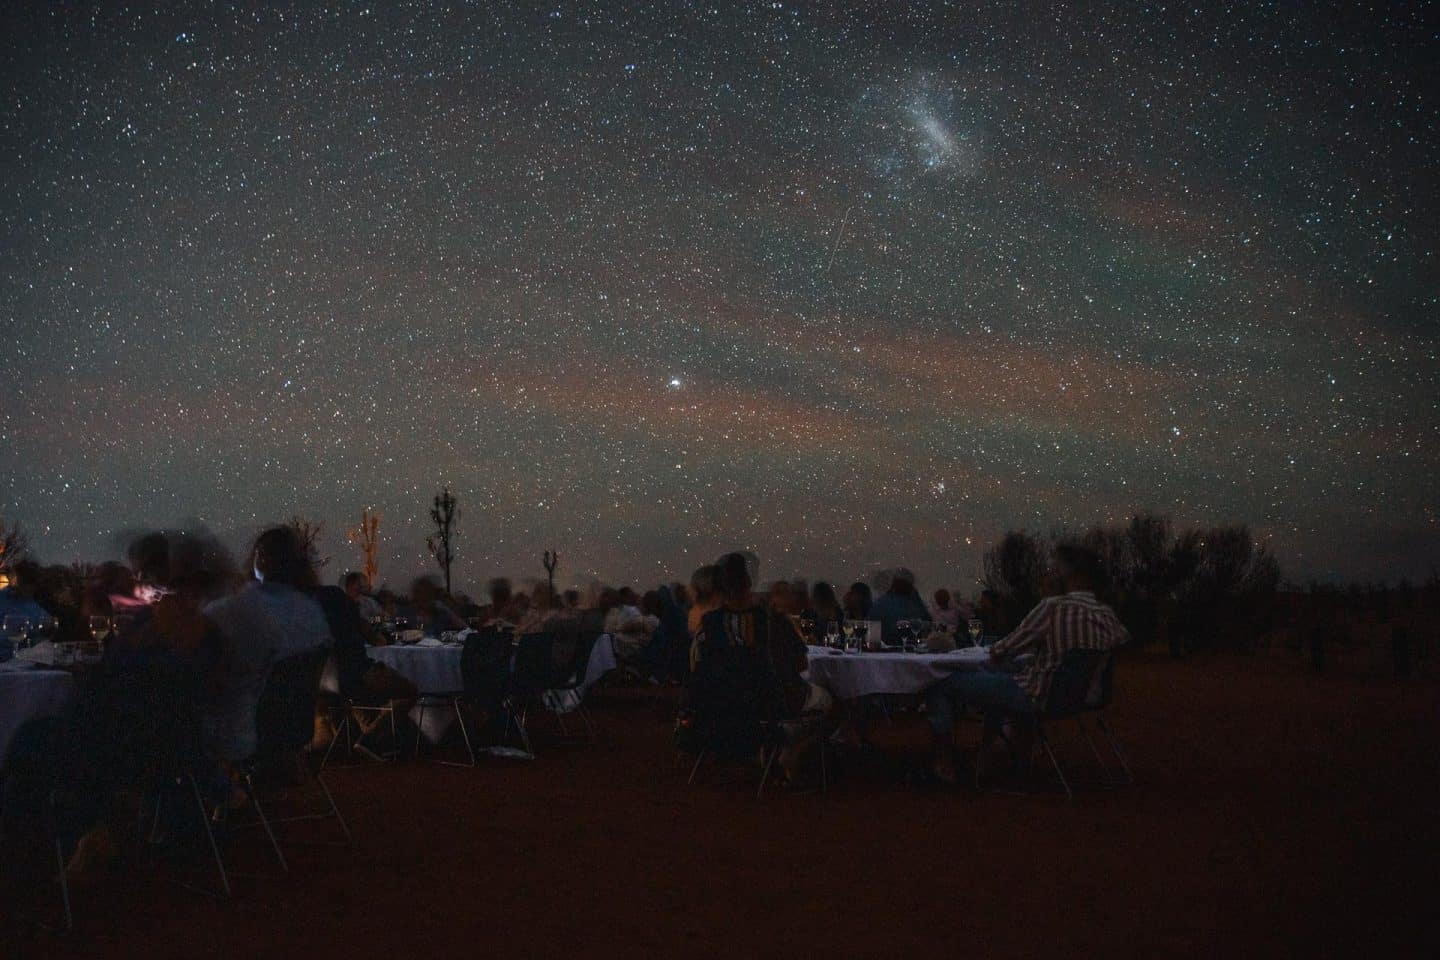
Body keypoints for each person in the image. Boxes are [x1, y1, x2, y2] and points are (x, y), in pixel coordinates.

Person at [924, 544, 1129, 785]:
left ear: (1072, 575)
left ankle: (944, 762)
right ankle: (999, 757)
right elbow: (1111, 644)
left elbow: (1004, 650)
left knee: (940, 682)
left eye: (1056, 568)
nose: (1051, 573)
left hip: (1038, 695)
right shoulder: (1106, 614)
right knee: (1001, 679)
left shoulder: (1053, 607)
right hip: (1081, 696)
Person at [690, 552, 829, 782]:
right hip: (770, 705)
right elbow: (800, 664)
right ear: (748, 583)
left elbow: (701, 665)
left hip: (723, 706)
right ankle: (788, 753)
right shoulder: (771, 621)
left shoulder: (711, 624)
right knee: (825, 699)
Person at [202, 526, 332, 765]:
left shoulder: (242, 607)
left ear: (259, 558)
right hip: (294, 730)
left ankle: (223, 793)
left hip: (247, 731)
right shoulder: (311, 610)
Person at [868, 568, 931, 644]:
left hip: (903, 647)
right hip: (891, 648)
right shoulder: (882, 604)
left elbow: (927, 622)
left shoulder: (914, 601)